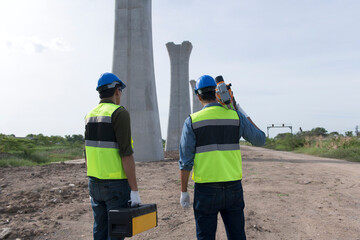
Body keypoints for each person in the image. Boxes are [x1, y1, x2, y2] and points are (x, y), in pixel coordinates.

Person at [179, 75, 266, 240]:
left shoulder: (192, 121)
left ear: (198, 96)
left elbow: (185, 162)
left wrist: (184, 191)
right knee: (237, 236)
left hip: (206, 190)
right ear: (218, 93)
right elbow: (260, 139)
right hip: (233, 187)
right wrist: (238, 108)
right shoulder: (235, 116)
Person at [85, 72, 141, 240]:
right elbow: (126, 154)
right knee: (116, 233)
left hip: (94, 182)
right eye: (121, 91)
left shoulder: (90, 116)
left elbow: (87, 153)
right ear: (117, 90)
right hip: (115, 185)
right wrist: (135, 190)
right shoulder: (119, 113)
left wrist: (91, 183)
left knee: (99, 230)